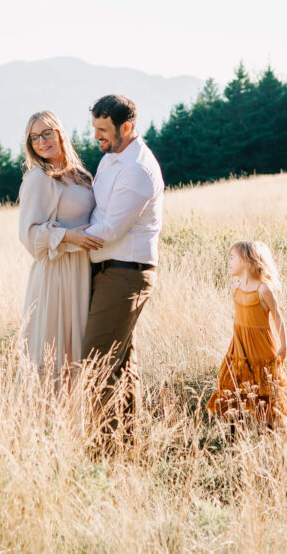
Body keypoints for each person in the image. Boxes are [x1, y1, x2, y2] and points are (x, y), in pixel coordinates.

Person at [81, 94, 164, 442]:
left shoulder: (138, 169)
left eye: (103, 130)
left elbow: (110, 229)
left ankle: (103, 448)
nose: (96, 137)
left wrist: (59, 239)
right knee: (120, 364)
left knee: (95, 362)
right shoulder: (112, 158)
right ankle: (125, 444)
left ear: (126, 127)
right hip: (109, 270)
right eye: (94, 129)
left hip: (126, 272)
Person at [18, 111, 102, 380]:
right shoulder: (39, 178)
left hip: (83, 270)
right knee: (54, 346)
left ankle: (74, 418)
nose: (41, 142)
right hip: (56, 274)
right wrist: (68, 237)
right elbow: (28, 235)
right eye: (34, 138)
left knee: (77, 347)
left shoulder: (79, 175)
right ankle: (44, 418)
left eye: (46, 133)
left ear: (60, 133)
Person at [207, 240, 287, 427]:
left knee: (265, 396)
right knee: (232, 390)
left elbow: (278, 317)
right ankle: (234, 433)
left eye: (232, 258)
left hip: (261, 349)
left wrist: (284, 345)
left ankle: (270, 435)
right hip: (239, 348)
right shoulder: (235, 289)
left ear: (246, 260)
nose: (228, 262)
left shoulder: (263, 289)